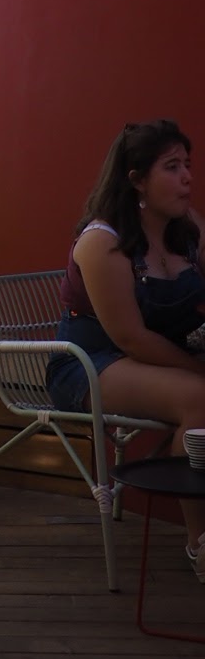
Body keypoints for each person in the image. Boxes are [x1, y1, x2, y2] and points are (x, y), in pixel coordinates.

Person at [48, 119, 205, 572]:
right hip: (89, 363)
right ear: (136, 180)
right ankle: (200, 543)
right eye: (171, 167)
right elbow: (130, 337)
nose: (187, 177)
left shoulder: (187, 229)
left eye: (187, 164)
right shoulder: (104, 242)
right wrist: (198, 368)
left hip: (161, 358)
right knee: (199, 397)